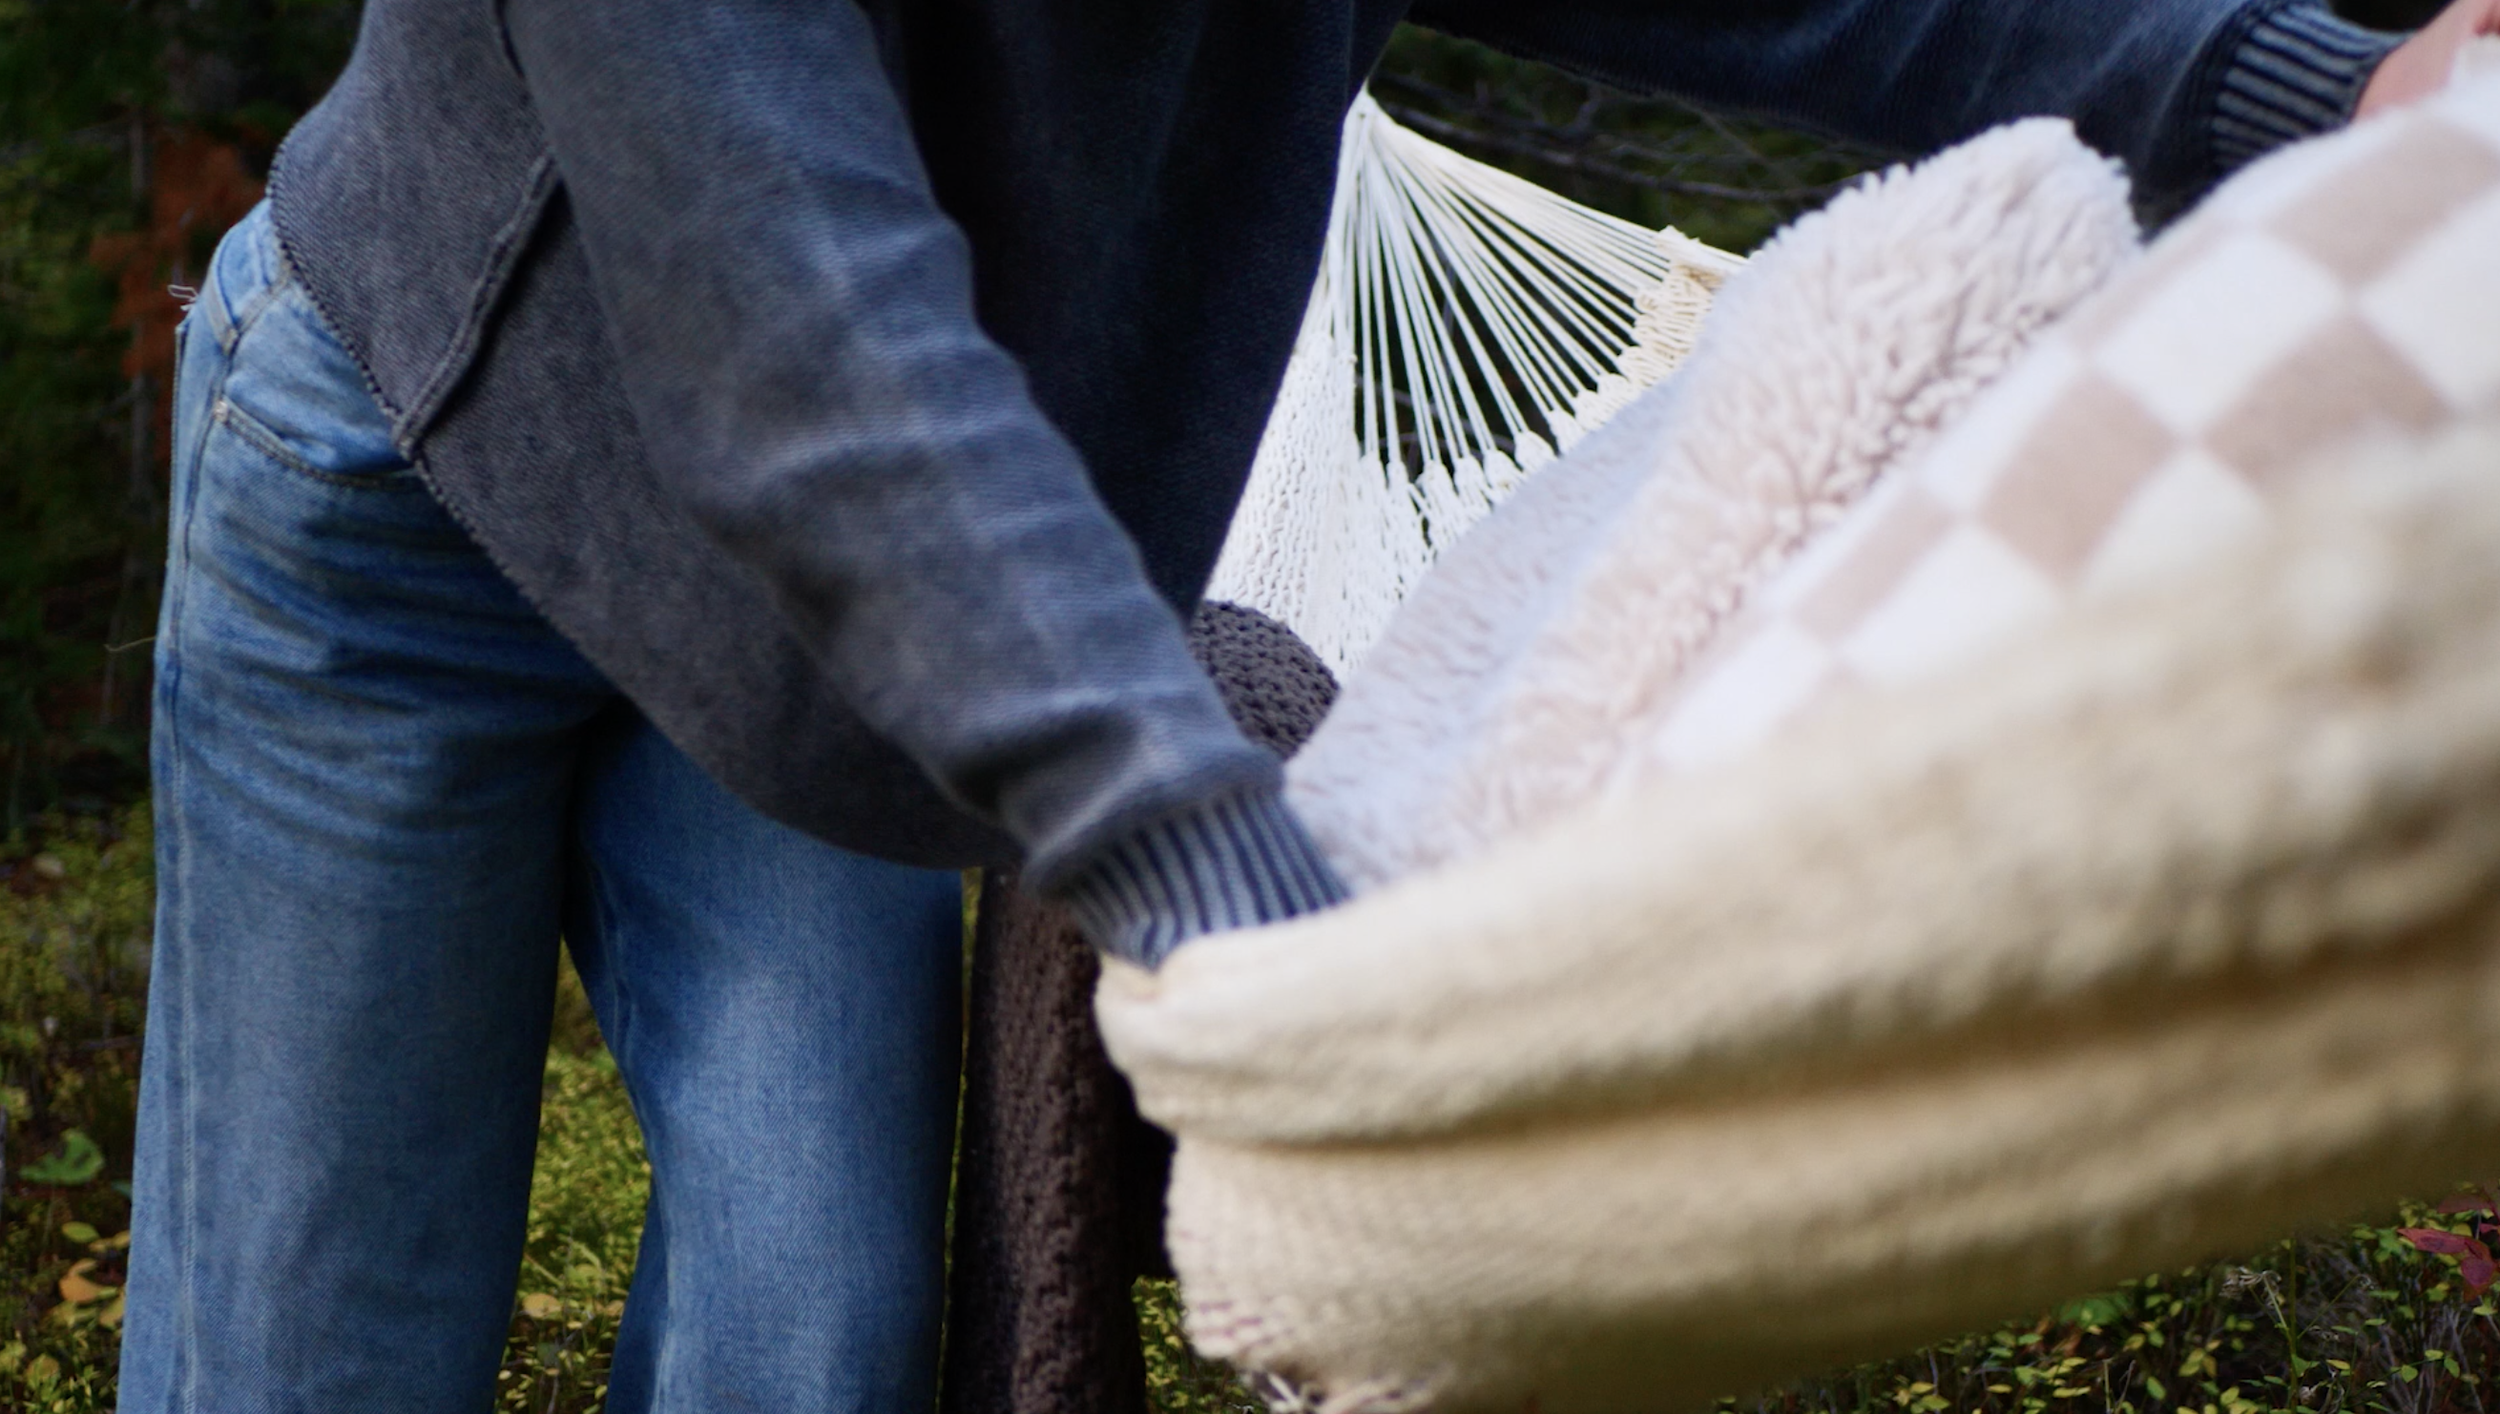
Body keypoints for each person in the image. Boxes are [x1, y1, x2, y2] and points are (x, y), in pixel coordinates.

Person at [117, 1, 2500, 1410]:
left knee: (821, 1343)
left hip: (841, 632)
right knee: (310, 1354)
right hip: (413, 499)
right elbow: (787, 310)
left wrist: (2292, 71)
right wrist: (1202, 862)